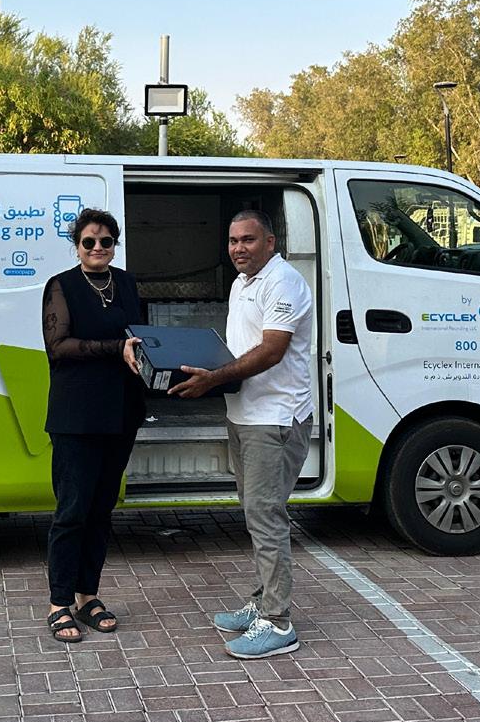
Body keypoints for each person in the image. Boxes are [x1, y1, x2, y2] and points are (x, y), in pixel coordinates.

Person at [170, 208, 314, 660]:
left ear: (270, 242)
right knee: (256, 514)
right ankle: (263, 602)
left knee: (266, 516)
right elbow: (238, 349)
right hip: (244, 415)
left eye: (248, 240)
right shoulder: (242, 283)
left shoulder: (283, 281)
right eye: (233, 241)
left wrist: (212, 379)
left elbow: (271, 350)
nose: (238, 248)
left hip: (275, 418)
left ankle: (279, 622)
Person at [39, 208, 146, 644]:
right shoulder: (61, 286)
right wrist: (115, 348)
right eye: (89, 242)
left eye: (106, 241)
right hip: (77, 415)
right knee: (72, 511)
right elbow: (58, 346)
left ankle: (88, 596)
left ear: (114, 245)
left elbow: (140, 336)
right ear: (77, 246)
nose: (98, 248)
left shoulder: (127, 283)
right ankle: (59, 603)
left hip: (121, 411)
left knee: (101, 510)